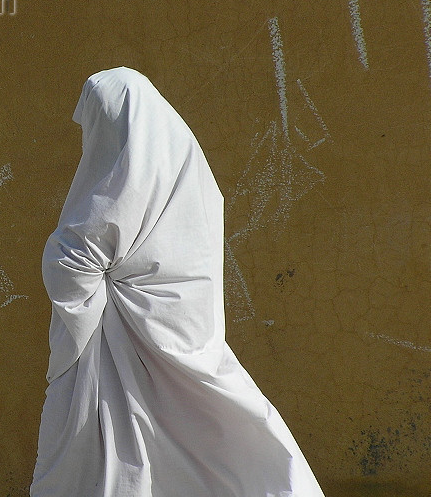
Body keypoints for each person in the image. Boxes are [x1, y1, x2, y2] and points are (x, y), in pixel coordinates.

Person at [30, 67, 324, 497]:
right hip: (185, 334)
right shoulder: (188, 170)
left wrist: (67, 276)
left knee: (104, 456)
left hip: (122, 346)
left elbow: (77, 256)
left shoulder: (127, 178)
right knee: (209, 436)